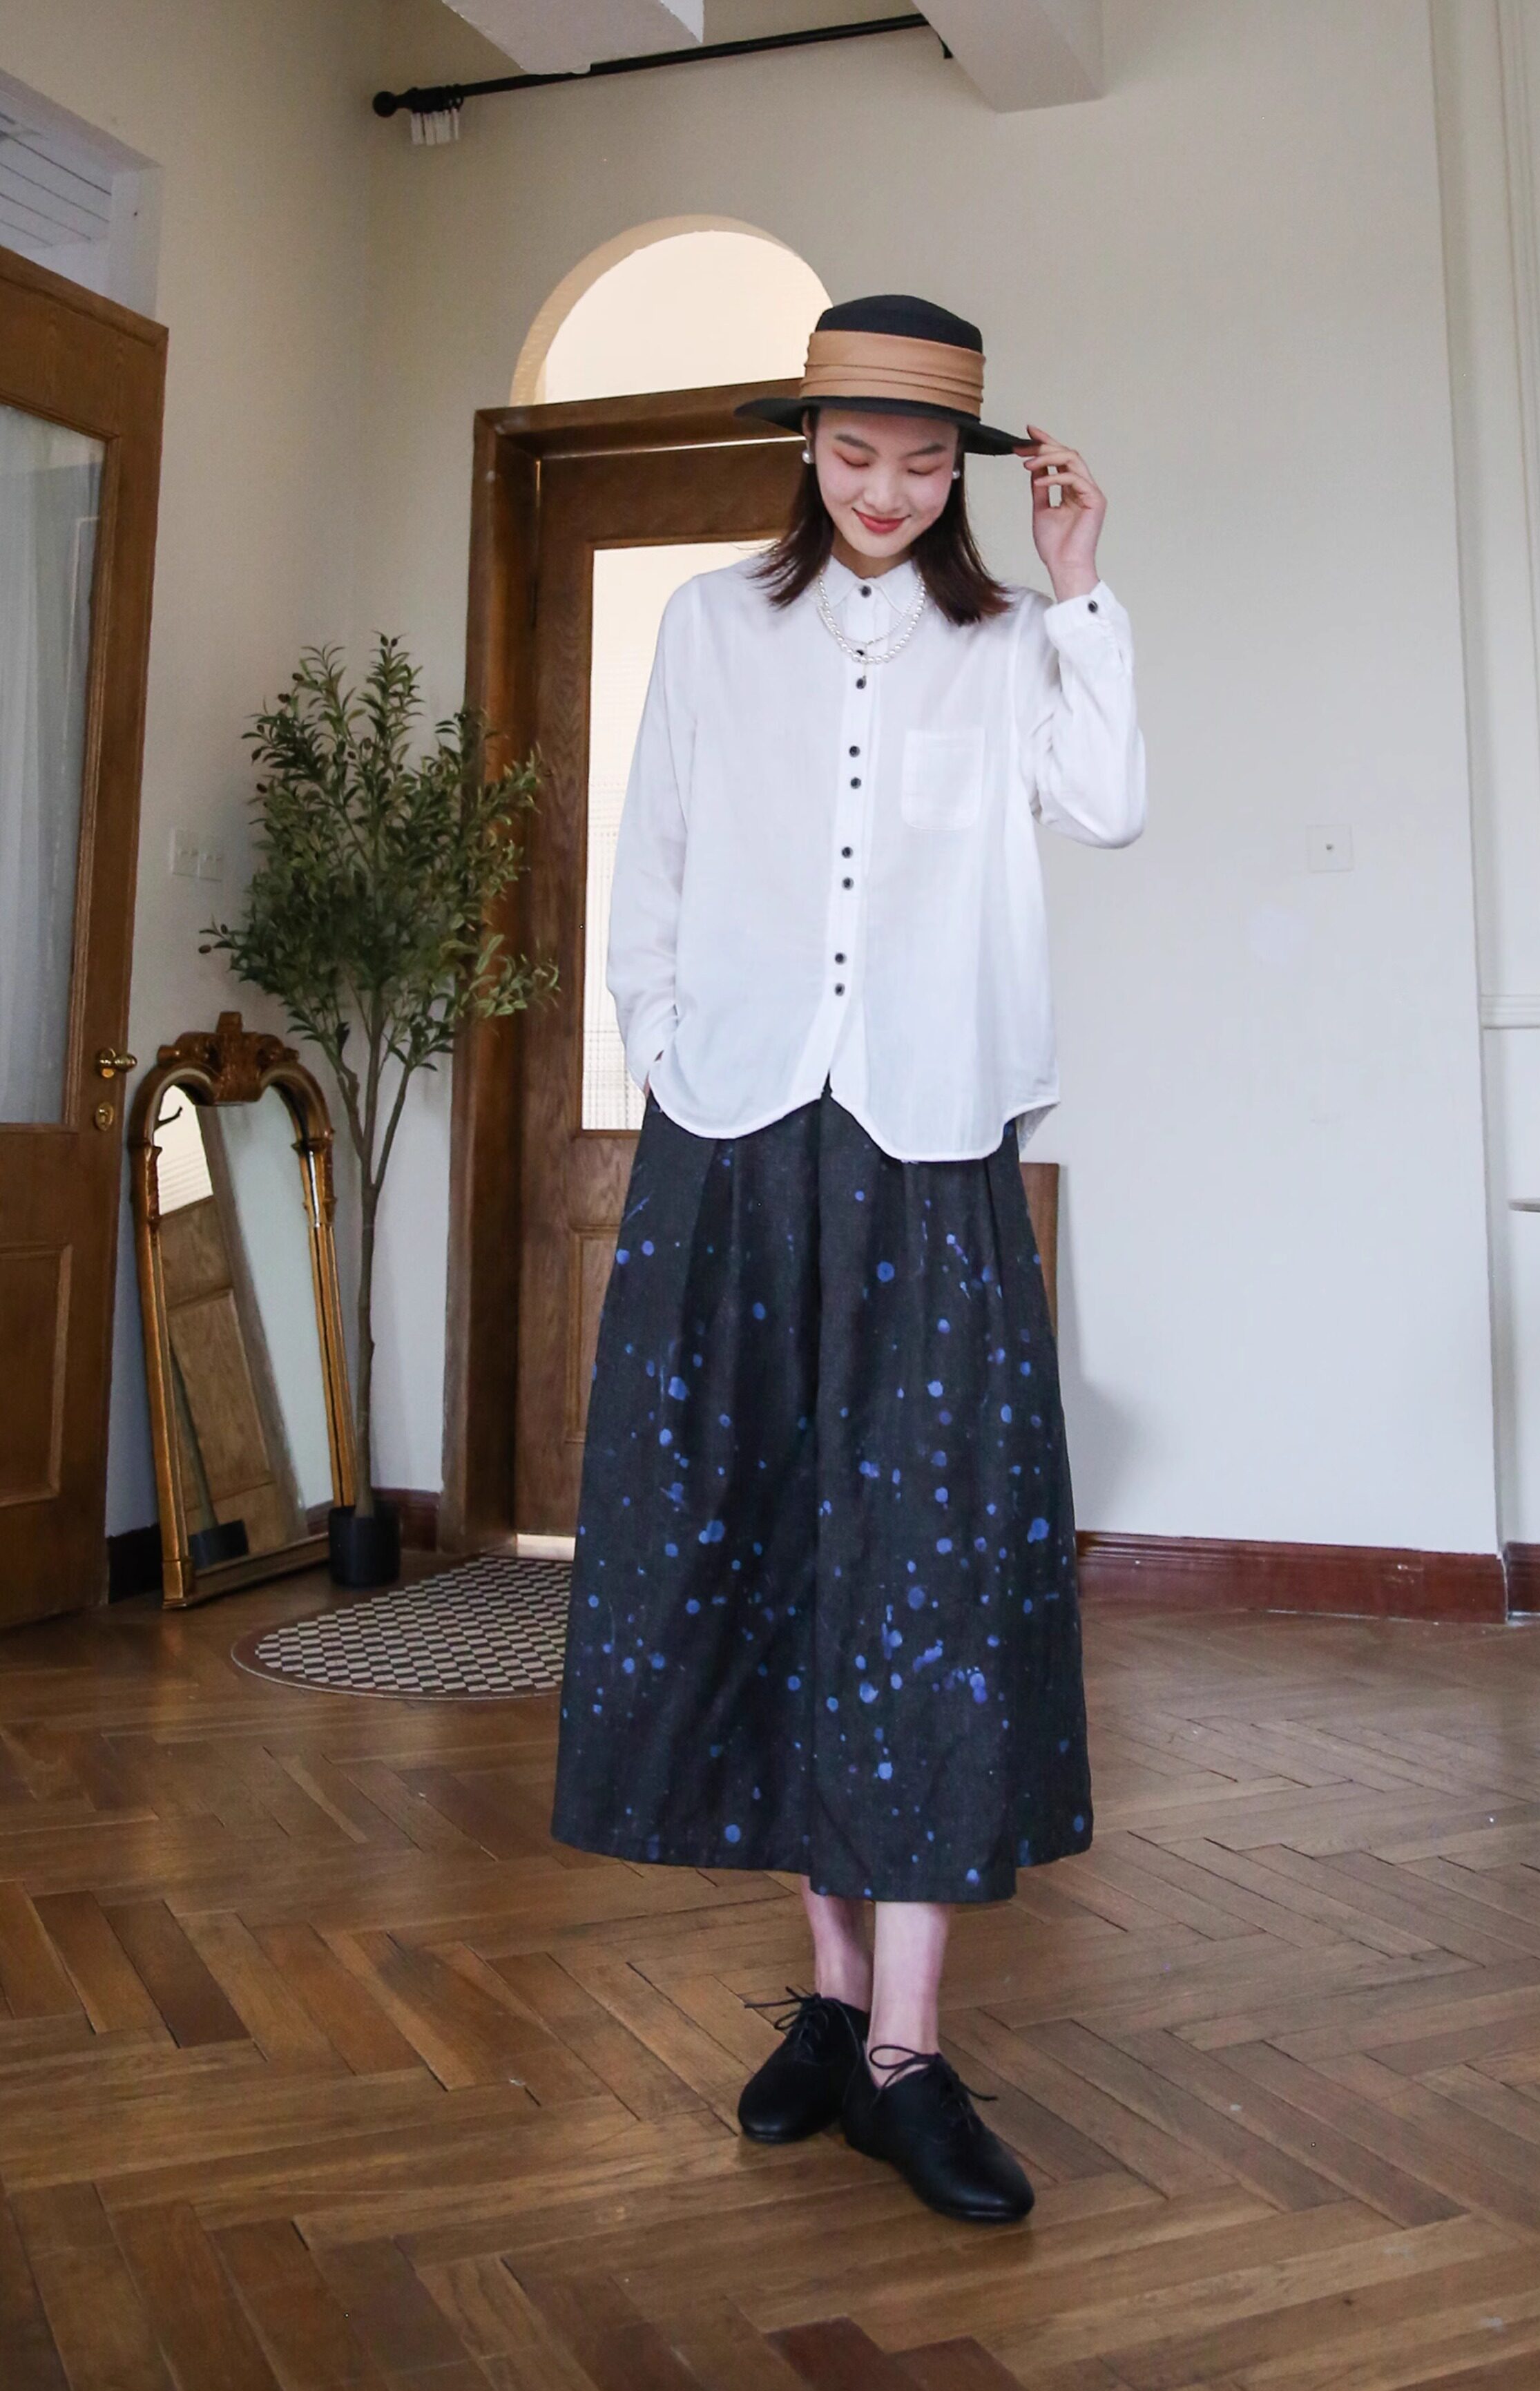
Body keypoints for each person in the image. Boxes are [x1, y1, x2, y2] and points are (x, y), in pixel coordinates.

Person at [552, 294, 1146, 2223]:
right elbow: (652, 855)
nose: (885, 489)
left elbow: (1111, 804)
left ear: (964, 471)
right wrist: (667, 1046)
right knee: (766, 1545)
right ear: (805, 447)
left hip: (931, 1144)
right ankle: (825, 2002)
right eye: (854, 451)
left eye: (920, 460)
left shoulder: (1012, 639)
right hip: (735, 1139)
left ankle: (907, 2052)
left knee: (926, 1577)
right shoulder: (714, 626)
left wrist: (1079, 586)